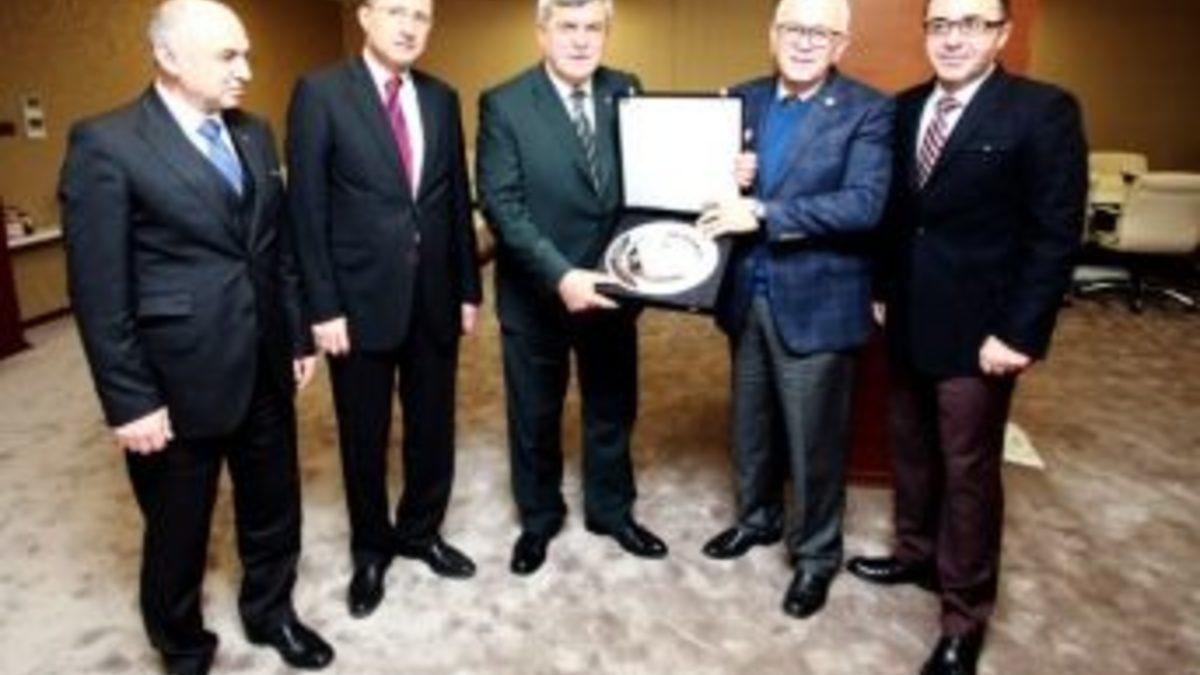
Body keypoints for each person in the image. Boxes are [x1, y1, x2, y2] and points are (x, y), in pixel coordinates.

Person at [58, 1, 335, 672]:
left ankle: (272, 613)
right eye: (228, 56)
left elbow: (276, 249)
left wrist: (297, 336)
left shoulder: (255, 133)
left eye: (246, 54)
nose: (246, 70)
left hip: (265, 359)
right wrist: (130, 401)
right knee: (177, 529)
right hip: (175, 379)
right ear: (169, 57)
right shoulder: (106, 143)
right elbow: (98, 290)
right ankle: (182, 646)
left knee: (274, 507)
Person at [846, 0, 1086, 672]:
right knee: (911, 449)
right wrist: (883, 289)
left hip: (983, 331)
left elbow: (1054, 234)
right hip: (907, 315)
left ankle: (964, 614)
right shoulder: (904, 107)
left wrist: (1019, 333)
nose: (954, 38)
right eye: (941, 25)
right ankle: (915, 554)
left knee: (969, 470)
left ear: (1001, 34)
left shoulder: (1041, 111)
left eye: (972, 23)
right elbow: (897, 215)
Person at [696, 0, 893, 620]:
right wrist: (727, 177)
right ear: (772, 34)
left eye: (821, 32)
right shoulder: (741, 98)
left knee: (814, 440)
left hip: (818, 299)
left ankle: (815, 556)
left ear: (841, 45)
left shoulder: (869, 109)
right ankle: (756, 519)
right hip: (746, 293)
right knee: (750, 422)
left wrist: (762, 211)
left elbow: (864, 204)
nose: (805, 42)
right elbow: (709, 192)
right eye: (794, 29)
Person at [286, 0, 482, 618]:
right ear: (365, 16)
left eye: (421, 16)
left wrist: (469, 287)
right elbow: (306, 211)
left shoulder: (441, 98)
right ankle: (370, 549)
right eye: (397, 11)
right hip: (358, 302)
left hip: (435, 296)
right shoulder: (320, 94)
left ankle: (422, 530)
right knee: (363, 436)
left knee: (433, 427)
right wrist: (323, 306)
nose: (409, 26)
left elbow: (455, 200)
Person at [476, 0, 667, 577]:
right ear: (542, 33)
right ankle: (538, 520)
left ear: (606, 32)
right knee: (535, 416)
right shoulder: (505, 103)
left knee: (612, 407)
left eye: (593, 28)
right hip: (538, 293)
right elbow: (502, 206)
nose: (581, 40)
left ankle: (612, 511)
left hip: (611, 290)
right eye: (567, 27)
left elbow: (649, 177)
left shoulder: (626, 89)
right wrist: (561, 275)